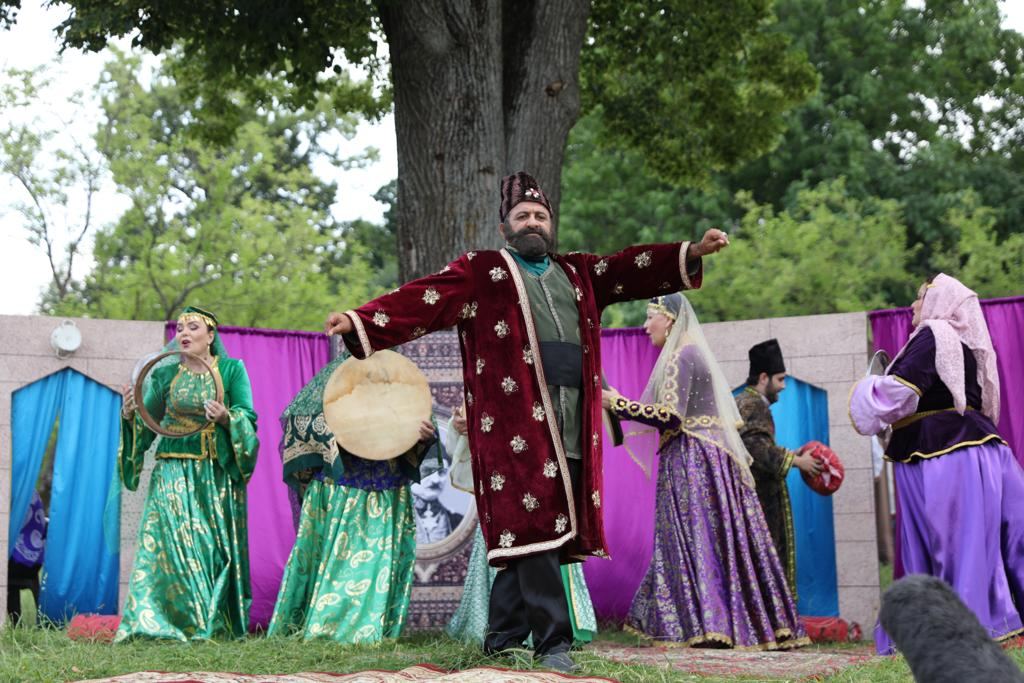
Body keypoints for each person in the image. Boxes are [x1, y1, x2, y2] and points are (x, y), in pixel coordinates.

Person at [324, 171, 729, 671]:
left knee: (542, 534)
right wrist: (364, 320)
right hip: (513, 426)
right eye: (523, 217)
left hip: (572, 424)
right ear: (505, 227)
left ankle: (502, 637)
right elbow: (425, 298)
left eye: (540, 216)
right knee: (537, 525)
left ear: (551, 223)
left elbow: (631, 267)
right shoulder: (483, 271)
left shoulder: (579, 273)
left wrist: (691, 254)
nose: (533, 222)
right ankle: (552, 644)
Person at [602, 294, 807, 649]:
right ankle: (729, 624)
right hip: (707, 456)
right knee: (718, 542)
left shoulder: (681, 354)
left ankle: (709, 625)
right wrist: (622, 405)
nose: (646, 325)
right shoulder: (690, 350)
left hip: (693, 458)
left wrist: (619, 403)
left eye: (652, 316)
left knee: (699, 539)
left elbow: (672, 416)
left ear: (669, 318)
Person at [849, 274, 1024, 654]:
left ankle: (954, 630)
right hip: (980, 449)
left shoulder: (934, 334)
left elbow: (897, 389)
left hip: (945, 454)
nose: (913, 305)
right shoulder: (961, 340)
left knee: (949, 543)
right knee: (987, 541)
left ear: (940, 302)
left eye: (918, 297)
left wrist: (863, 394)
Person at [270, 352, 443, 644]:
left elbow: (419, 429)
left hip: (386, 495)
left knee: (376, 566)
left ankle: (368, 631)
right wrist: (335, 434)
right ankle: (330, 629)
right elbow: (298, 427)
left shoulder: (402, 389)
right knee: (340, 567)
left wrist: (424, 437)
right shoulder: (333, 385)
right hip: (341, 495)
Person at [117, 306, 259, 641]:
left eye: (193, 327)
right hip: (170, 471)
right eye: (180, 328)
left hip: (214, 476)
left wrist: (227, 417)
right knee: (168, 546)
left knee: (207, 547)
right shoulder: (165, 375)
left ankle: (206, 622)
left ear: (210, 337)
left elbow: (248, 419)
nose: (184, 333)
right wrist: (129, 415)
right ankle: (157, 623)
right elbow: (147, 425)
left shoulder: (233, 371)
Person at [444, 403, 597, 647]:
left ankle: (549, 635)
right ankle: (506, 635)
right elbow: (464, 434)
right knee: (512, 554)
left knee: (547, 545)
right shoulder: (489, 373)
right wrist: (459, 426)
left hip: (548, 474)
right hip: (506, 484)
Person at [734, 339, 822, 594]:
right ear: (764, 377)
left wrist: (789, 455)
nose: (783, 387)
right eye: (780, 379)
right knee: (764, 562)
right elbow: (755, 448)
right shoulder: (753, 404)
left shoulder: (743, 401)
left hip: (752, 496)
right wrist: (797, 461)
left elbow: (755, 443)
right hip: (759, 500)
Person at [6, 490, 47, 625]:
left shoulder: (12, 493)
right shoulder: (31, 491)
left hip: (16, 565)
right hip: (36, 563)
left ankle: (16, 623)